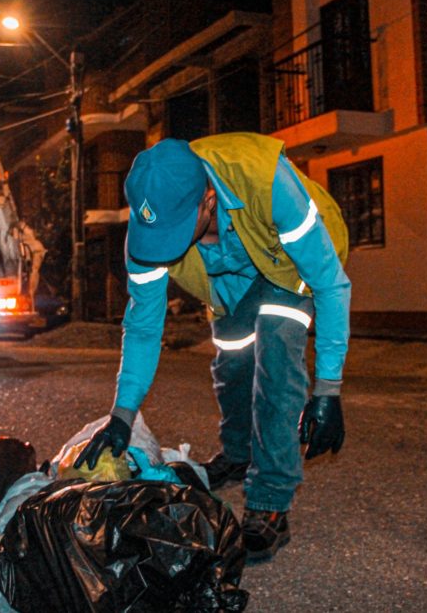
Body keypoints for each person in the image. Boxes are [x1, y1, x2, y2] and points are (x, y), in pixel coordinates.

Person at [74, 132, 351, 563]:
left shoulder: (266, 181)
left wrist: (328, 389)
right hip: (229, 276)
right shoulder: (151, 222)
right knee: (233, 359)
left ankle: (270, 505)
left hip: (289, 259)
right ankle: (238, 455)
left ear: (208, 199)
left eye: (177, 232)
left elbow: (331, 285)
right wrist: (122, 415)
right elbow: (144, 327)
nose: (168, 247)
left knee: (276, 365)